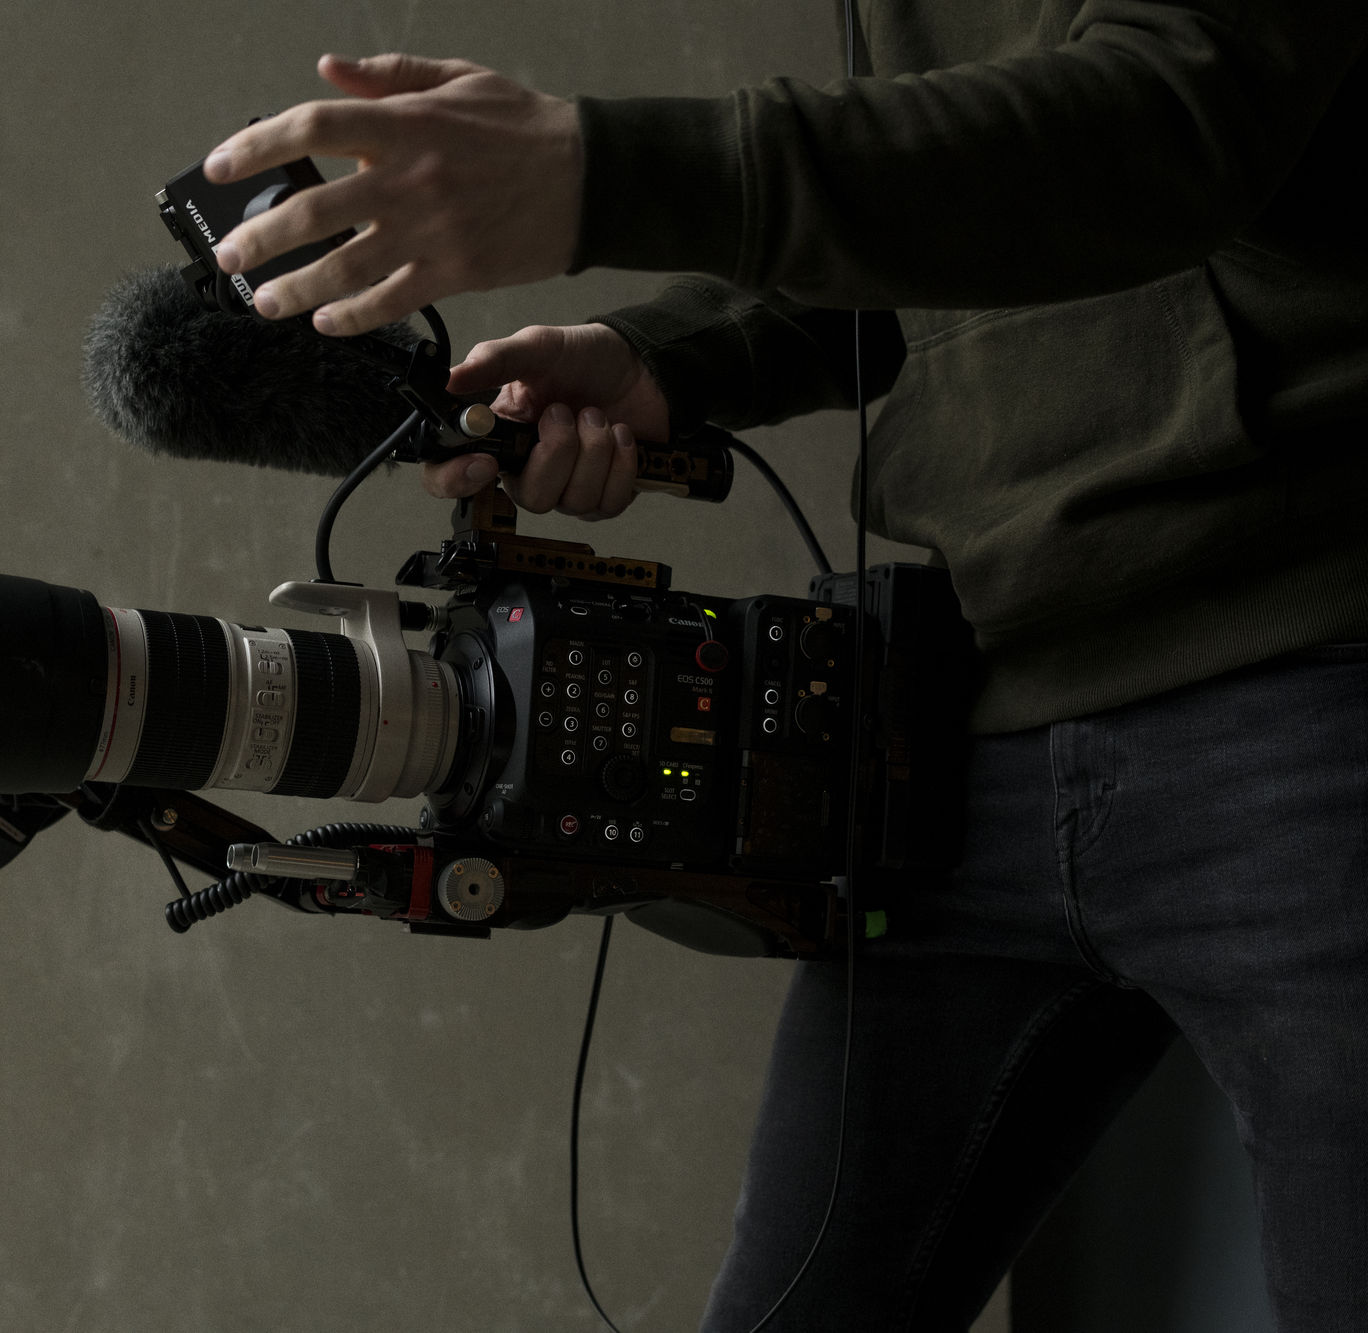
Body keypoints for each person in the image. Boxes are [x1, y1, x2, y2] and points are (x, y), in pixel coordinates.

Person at [201, 10, 1368, 1332]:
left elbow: (1163, 128)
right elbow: (943, 224)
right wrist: (665, 361)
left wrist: (599, 173)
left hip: (1308, 682)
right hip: (971, 730)